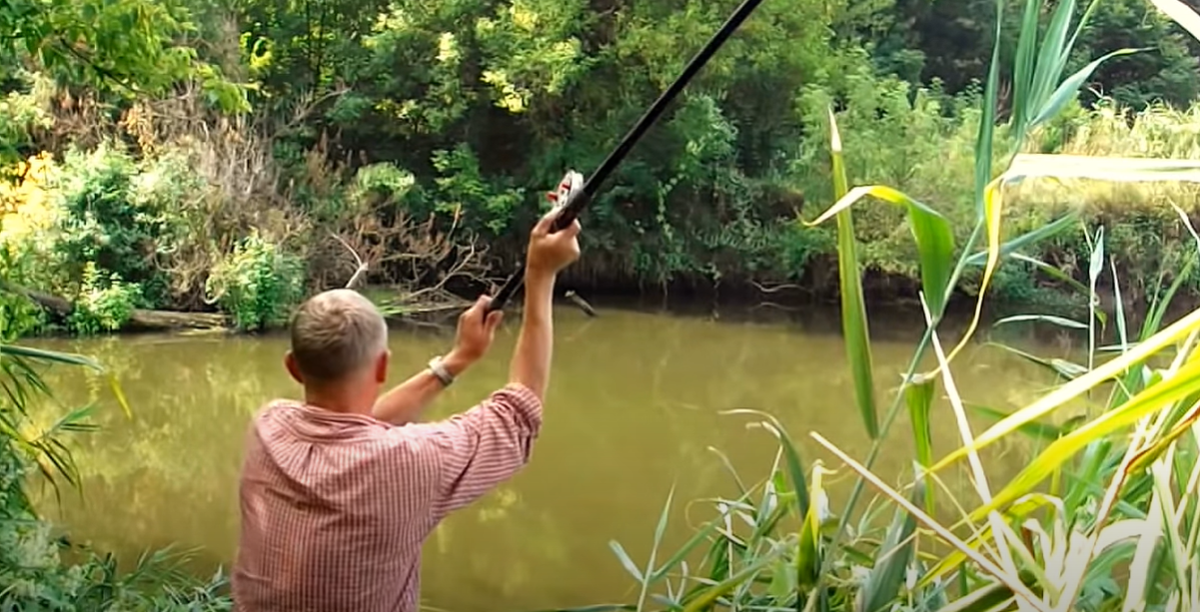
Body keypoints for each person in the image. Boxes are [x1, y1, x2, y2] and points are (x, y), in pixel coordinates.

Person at [230, 208, 582, 612]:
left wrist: (457, 360)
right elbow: (519, 411)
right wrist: (540, 275)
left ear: (292, 367)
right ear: (382, 365)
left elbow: (355, 427)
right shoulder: (409, 463)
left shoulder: (269, 426)